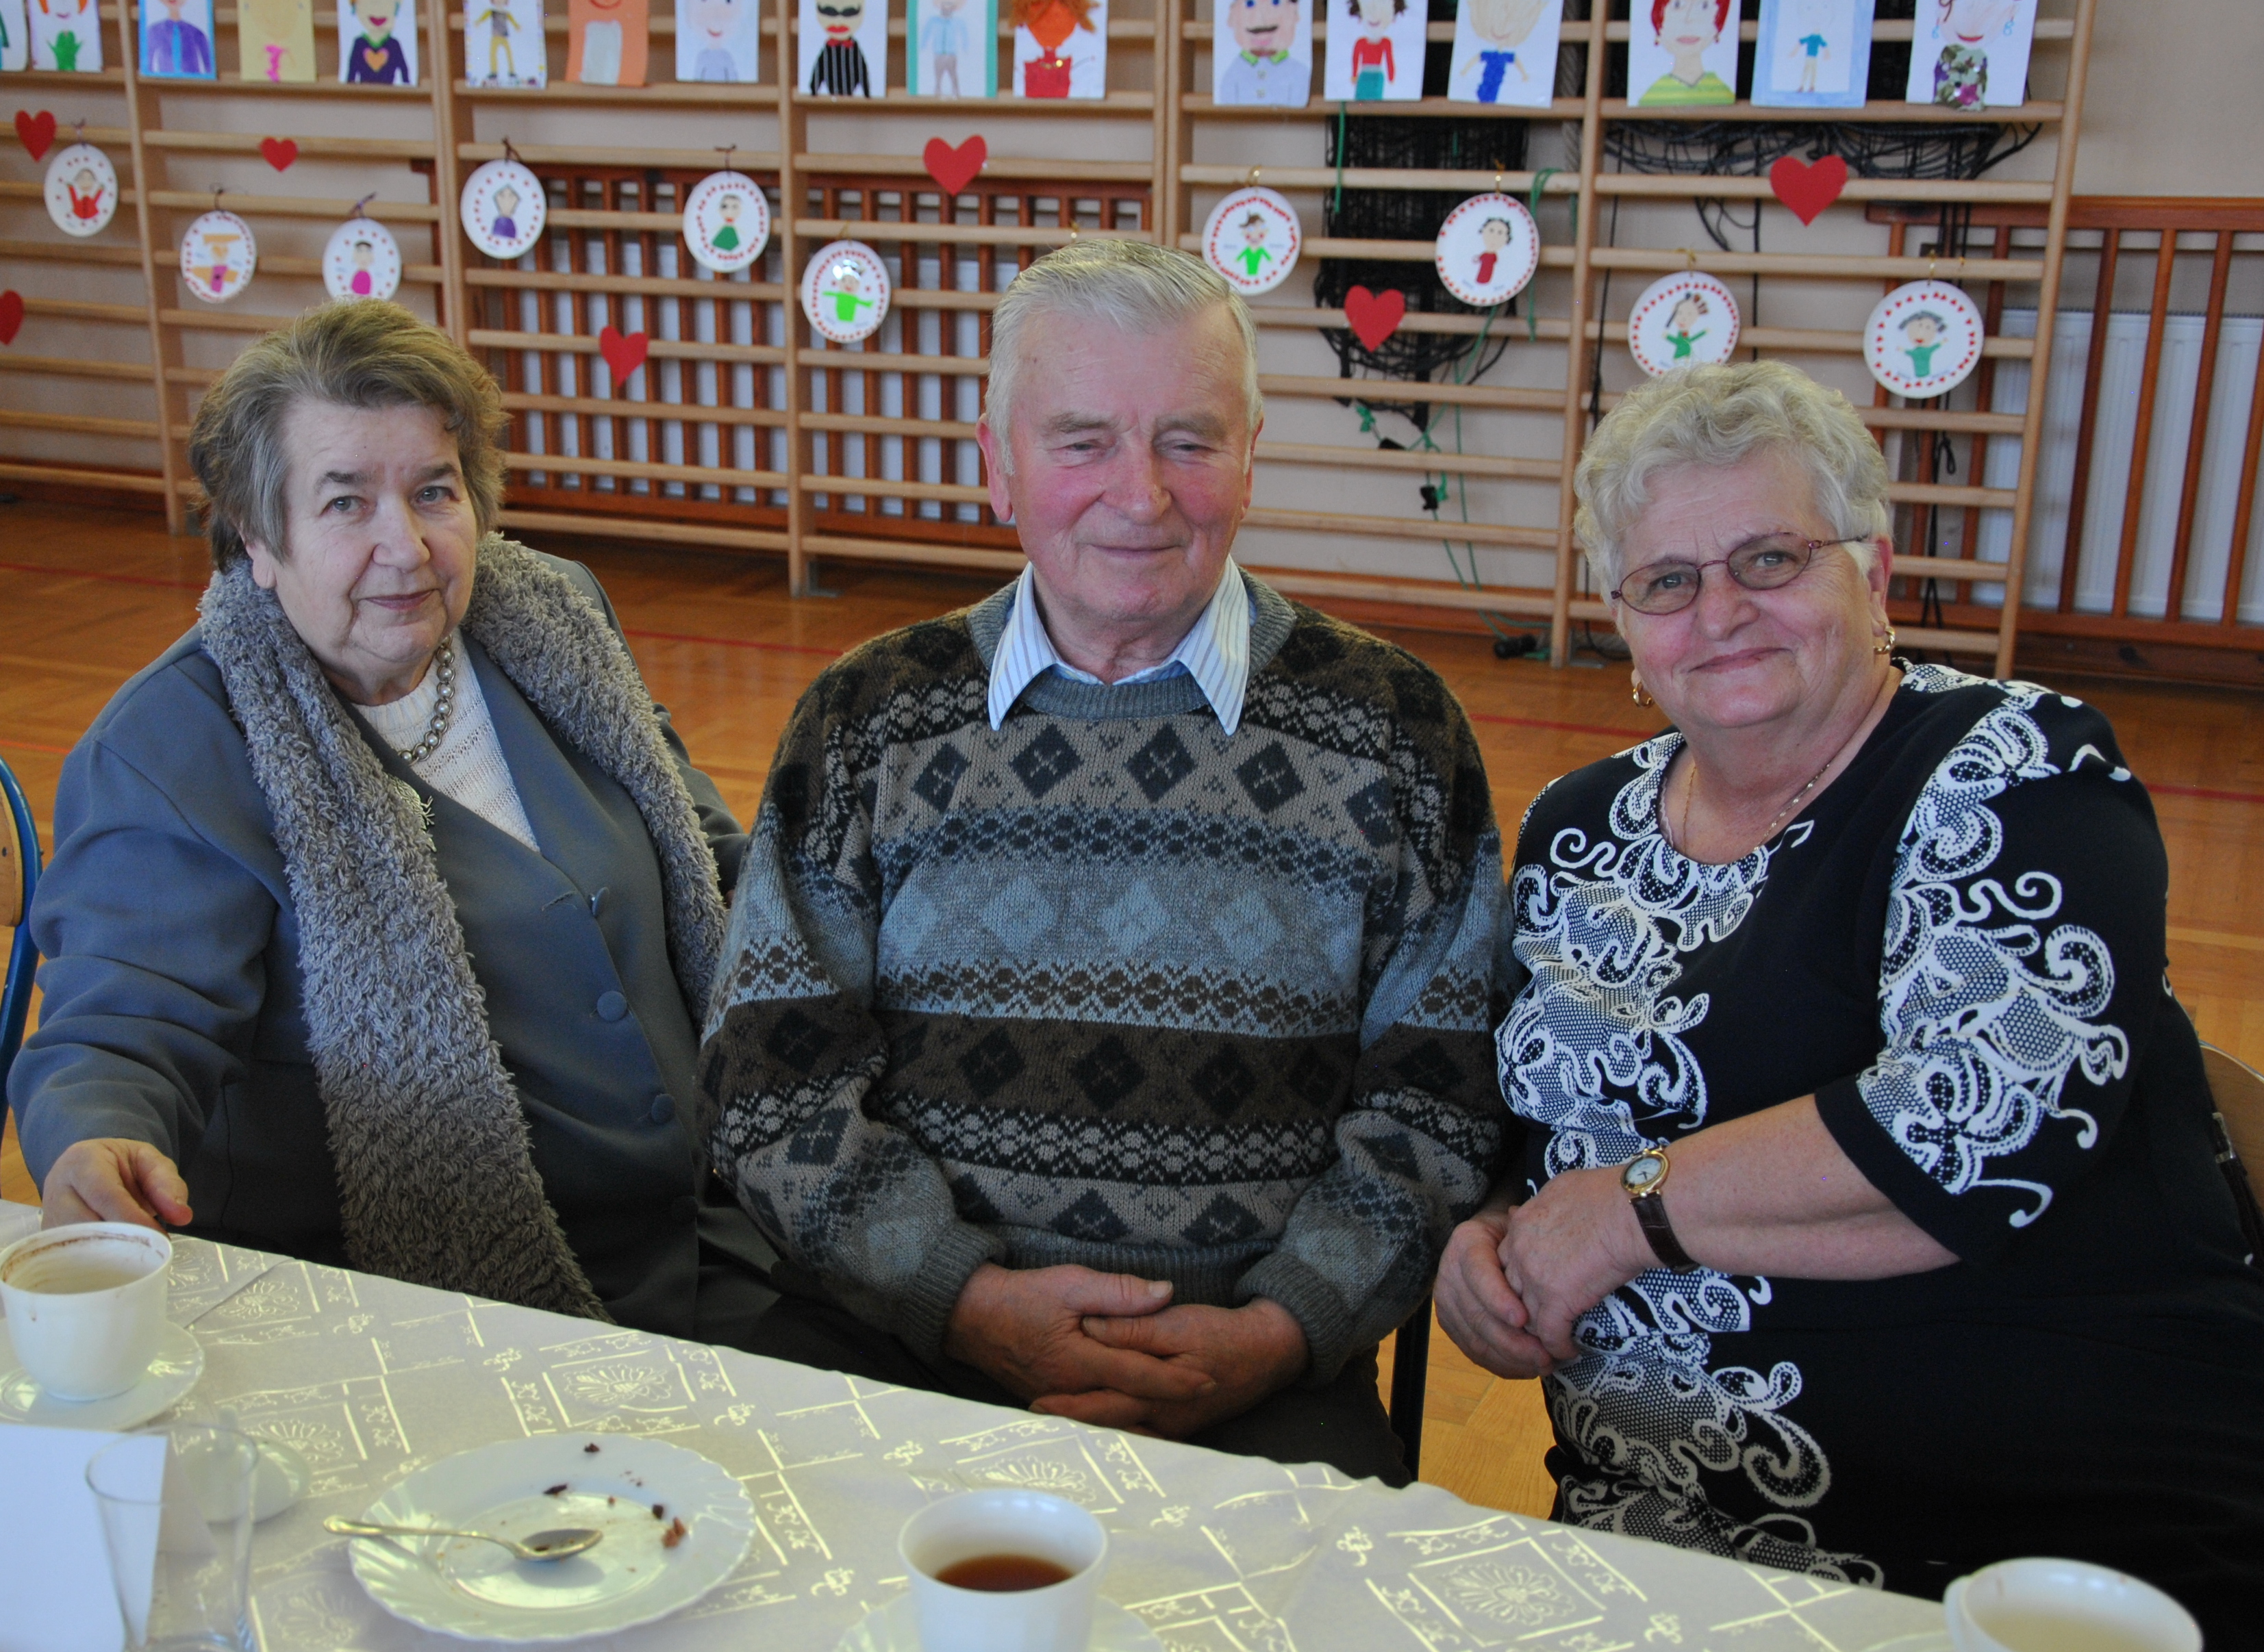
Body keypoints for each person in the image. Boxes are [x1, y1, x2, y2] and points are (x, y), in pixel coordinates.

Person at [1433, 360, 2264, 1638]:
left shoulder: (2015, 767)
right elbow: (1534, 1117)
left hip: (2033, 1541)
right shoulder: (1577, 825)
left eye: (1769, 559)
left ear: (1870, 573)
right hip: (1659, 1525)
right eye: (1667, 580)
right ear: (1625, 625)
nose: (1719, 612)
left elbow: (1970, 1135)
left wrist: (1621, 1216)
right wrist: (1491, 1237)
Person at [701, 240, 1507, 1485]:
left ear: (1250, 455)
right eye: (1083, 441)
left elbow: (1439, 1102)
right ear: (998, 466)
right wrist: (957, 1297)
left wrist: (1281, 1326)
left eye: (1189, 440)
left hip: (1258, 1380)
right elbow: (770, 1081)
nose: (1142, 495)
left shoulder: (1396, 729)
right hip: (895, 1344)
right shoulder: (867, 720)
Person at [11, 300, 779, 1347]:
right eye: (345, 503)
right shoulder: (173, 746)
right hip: (440, 1307)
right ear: (258, 537)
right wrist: (95, 1137)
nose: (405, 546)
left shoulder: (553, 616)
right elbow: (126, 1025)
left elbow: (709, 859)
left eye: (432, 491)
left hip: (720, 1220)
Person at [1214, 0, 1307, 107]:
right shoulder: (1232, 74)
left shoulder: (1299, 73)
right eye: (1250, 3)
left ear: (1295, 11)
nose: (1262, 17)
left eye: (1276, 2)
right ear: (1231, 15)